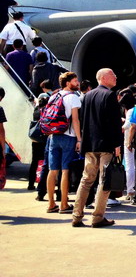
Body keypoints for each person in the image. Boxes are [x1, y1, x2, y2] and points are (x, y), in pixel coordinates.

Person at [71, 68, 122, 228]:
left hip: (90, 144)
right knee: (104, 181)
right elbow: (114, 122)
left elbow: (83, 119)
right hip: (106, 144)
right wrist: (117, 144)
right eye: (112, 74)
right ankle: (97, 217)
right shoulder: (109, 95)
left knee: (86, 180)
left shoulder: (87, 96)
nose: (115, 77)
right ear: (104, 77)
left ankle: (77, 216)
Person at [46, 72, 82, 214]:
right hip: (68, 136)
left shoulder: (54, 96)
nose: (77, 83)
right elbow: (75, 120)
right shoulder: (73, 97)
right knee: (66, 170)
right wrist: (79, 139)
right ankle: (64, 204)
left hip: (53, 136)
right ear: (68, 83)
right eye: (75, 80)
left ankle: (51, 204)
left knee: (53, 170)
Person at [118, 89, 136, 203]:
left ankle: (130, 189)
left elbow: (128, 126)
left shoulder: (130, 111)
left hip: (129, 141)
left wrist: (120, 125)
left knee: (130, 166)